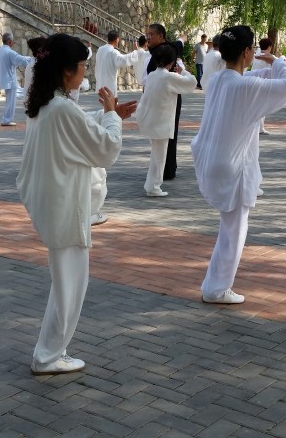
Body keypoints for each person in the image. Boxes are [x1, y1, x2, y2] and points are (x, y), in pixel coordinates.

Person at [17, 34, 136, 374]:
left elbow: (79, 133)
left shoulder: (49, 105)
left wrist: (112, 117)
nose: (86, 71)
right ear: (67, 71)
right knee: (71, 284)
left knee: (67, 281)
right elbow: (105, 150)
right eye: (84, 65)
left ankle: (52, 351)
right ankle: (48, 355)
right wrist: (111, 117)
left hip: (57, 203)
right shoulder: (61, 108)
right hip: (65, 207)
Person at [194, 25, 286, 304]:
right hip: (233, 166)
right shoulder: (243, 85)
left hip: (213, 158)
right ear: (247, 52)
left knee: (228, 228)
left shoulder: (216, 79)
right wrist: (279, 63)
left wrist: (270, 68)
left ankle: (214, 285)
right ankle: (217, 289)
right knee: (234, 231)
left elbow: (252, 78)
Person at [135, 43, 196, 197]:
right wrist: (184, 72)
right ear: (172, 62)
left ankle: (151, 185)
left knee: (156, 156)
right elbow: (192, 83)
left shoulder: (152, 75)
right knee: (160, 157)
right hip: (162, 122)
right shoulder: (169, 77)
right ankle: (154, 187)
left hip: (151, 120)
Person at [145, 24, 184, 180]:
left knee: (168, 133)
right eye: (147, 34)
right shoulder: (161, 50)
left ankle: (167, 170)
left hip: (169, 98)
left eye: (151, 34)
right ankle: (163, 169)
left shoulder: (167, 50)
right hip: (160, 98)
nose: (148, 37)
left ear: (161, 36)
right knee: (160, 134)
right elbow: (180, 44)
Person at [0, 31, 32, 126]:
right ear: (10, 42)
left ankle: (6, 118)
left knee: (9, 100)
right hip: (9, 80)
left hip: (3, 78)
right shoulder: (9, 52)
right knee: (11, 101)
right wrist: (33, 61)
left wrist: (29, 59)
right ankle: (7, 119)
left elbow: (19, 58)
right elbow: (20, 60)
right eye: (13, 41)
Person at [94, 30, 139, 96]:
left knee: (104, 104)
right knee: (110, 105)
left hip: (100, 84)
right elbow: (124, 60)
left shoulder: (100, 49)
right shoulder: (113, 52)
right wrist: (135, 52)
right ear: (117, 39)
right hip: (109, 86)